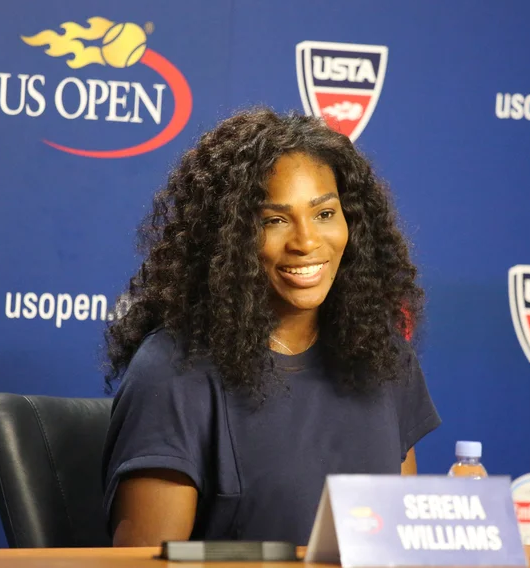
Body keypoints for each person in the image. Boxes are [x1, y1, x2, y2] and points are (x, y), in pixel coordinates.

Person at [101, 108, 441, 547]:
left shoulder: (384, 356)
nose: (305, 241)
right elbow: (141, 564)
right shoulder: (172, 373)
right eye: (273, 220)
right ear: (228, 237)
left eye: (324, 214)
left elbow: (397, 548)